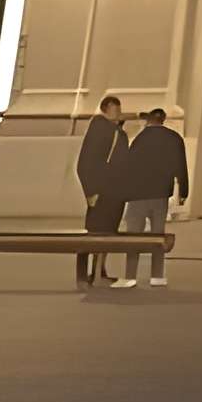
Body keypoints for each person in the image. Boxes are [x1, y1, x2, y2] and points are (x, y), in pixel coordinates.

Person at [109, 105, 188, 287]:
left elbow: (128, 165)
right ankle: (157, 276)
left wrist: (122, 191)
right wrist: (183, 192)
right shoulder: (174, 139)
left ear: (149, 120)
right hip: (160, 194)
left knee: (133, 236)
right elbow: (181, 166)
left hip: (137, 194)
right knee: (157, 236)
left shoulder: (141, 139)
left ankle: (130, 276)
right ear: (163, 120)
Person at [74, 94, 127, 285]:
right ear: (106, 109)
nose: (119, 112)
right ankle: (87, 272)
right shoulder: (100, 129)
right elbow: (85, 164)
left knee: (107, 232)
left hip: (113, 191)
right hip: (102, 191)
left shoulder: (115, 131)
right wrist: (90, 192)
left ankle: (99, 270)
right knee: (95, 233)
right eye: (115, 108)